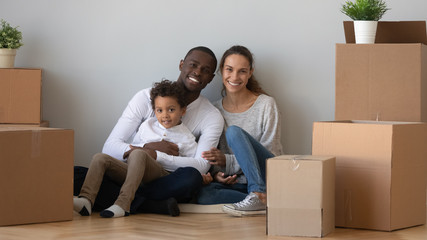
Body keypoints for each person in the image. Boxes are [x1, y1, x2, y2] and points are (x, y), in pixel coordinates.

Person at [74, 46, 223, 217]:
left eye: (205, 70)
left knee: (192, 178)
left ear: (211, 78)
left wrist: (156, 156)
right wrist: (148, 148)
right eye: (193, 65)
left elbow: (201, 165)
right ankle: (151, 205)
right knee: (76, 173)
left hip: (164, 180)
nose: (197, 72)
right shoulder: (145, 98)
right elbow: (109, 147)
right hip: (129, 172)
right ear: (181, 64)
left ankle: (125, 200)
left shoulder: (211, 116)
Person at [197, 45, 283, 217]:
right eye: (229, 69)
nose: (234, 77)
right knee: (201, 194)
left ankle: (258, 192)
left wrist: (228, 163)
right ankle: (262, 200)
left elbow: (271, 155)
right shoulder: (213, 111)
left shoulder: (266, 105)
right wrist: (217, 175)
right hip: (235, 183)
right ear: (222, 71)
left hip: (266, 175)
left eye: (242, 71)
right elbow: (212, 157)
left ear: (250, 73)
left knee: (234, 133)